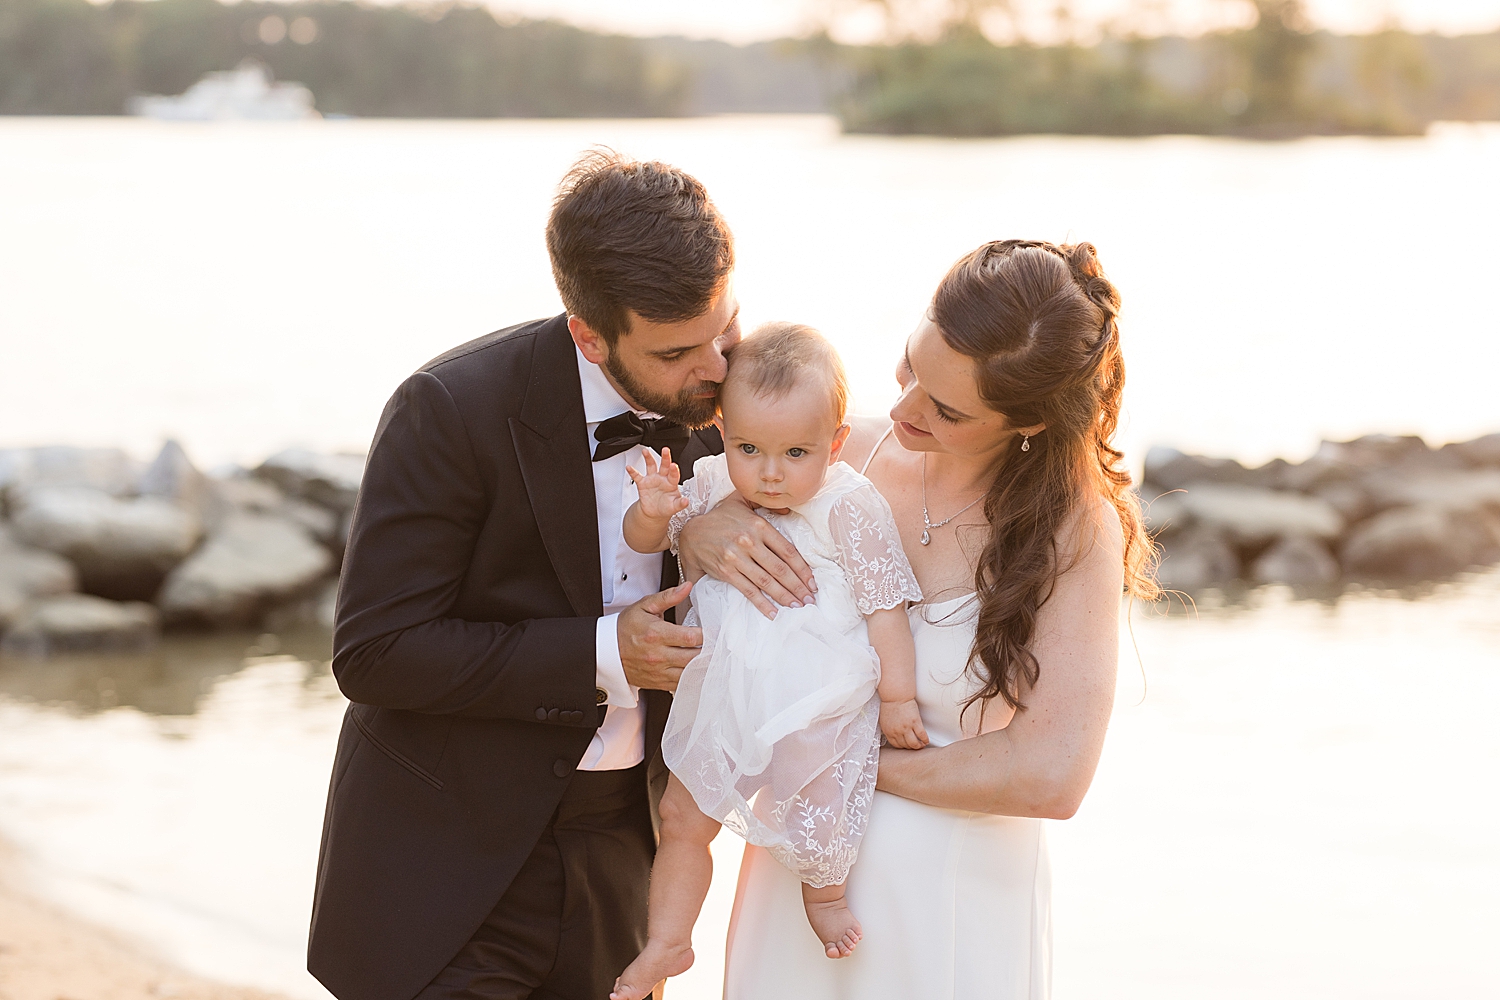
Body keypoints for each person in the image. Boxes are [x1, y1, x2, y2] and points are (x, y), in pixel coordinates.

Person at [306, 150, 740, 1000]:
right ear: (588, 332)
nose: (718, 369)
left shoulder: (730, 398)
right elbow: (375, 650)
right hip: (450, 865)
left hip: (626, 852)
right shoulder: (447, 408)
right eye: (680, 350)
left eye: (725, 327)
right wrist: (605, 653)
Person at [679, 240, 1159, 998]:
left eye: (947, 410)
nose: (903, 409)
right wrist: (693, 530)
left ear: (1027, 420)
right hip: (793, 879)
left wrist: (842, 771)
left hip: (949, 898)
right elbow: (677, 497)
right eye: (911, 367)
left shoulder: (1074, 530)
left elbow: (1051, 775)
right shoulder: (830, 458)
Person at [610, 324, 927, 1000]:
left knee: (815, 804)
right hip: (724, 695)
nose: (771, 472)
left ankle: (825, 895)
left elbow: (883, 608)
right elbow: (650, 539)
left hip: (814, 697)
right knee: (679, 818)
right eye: (750, 448)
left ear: (835, 443)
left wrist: (898, 702)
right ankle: (668, 938)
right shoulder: (714, 477)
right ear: (723, 429)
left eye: (795, 453)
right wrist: (655, 509)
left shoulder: (851, 504)